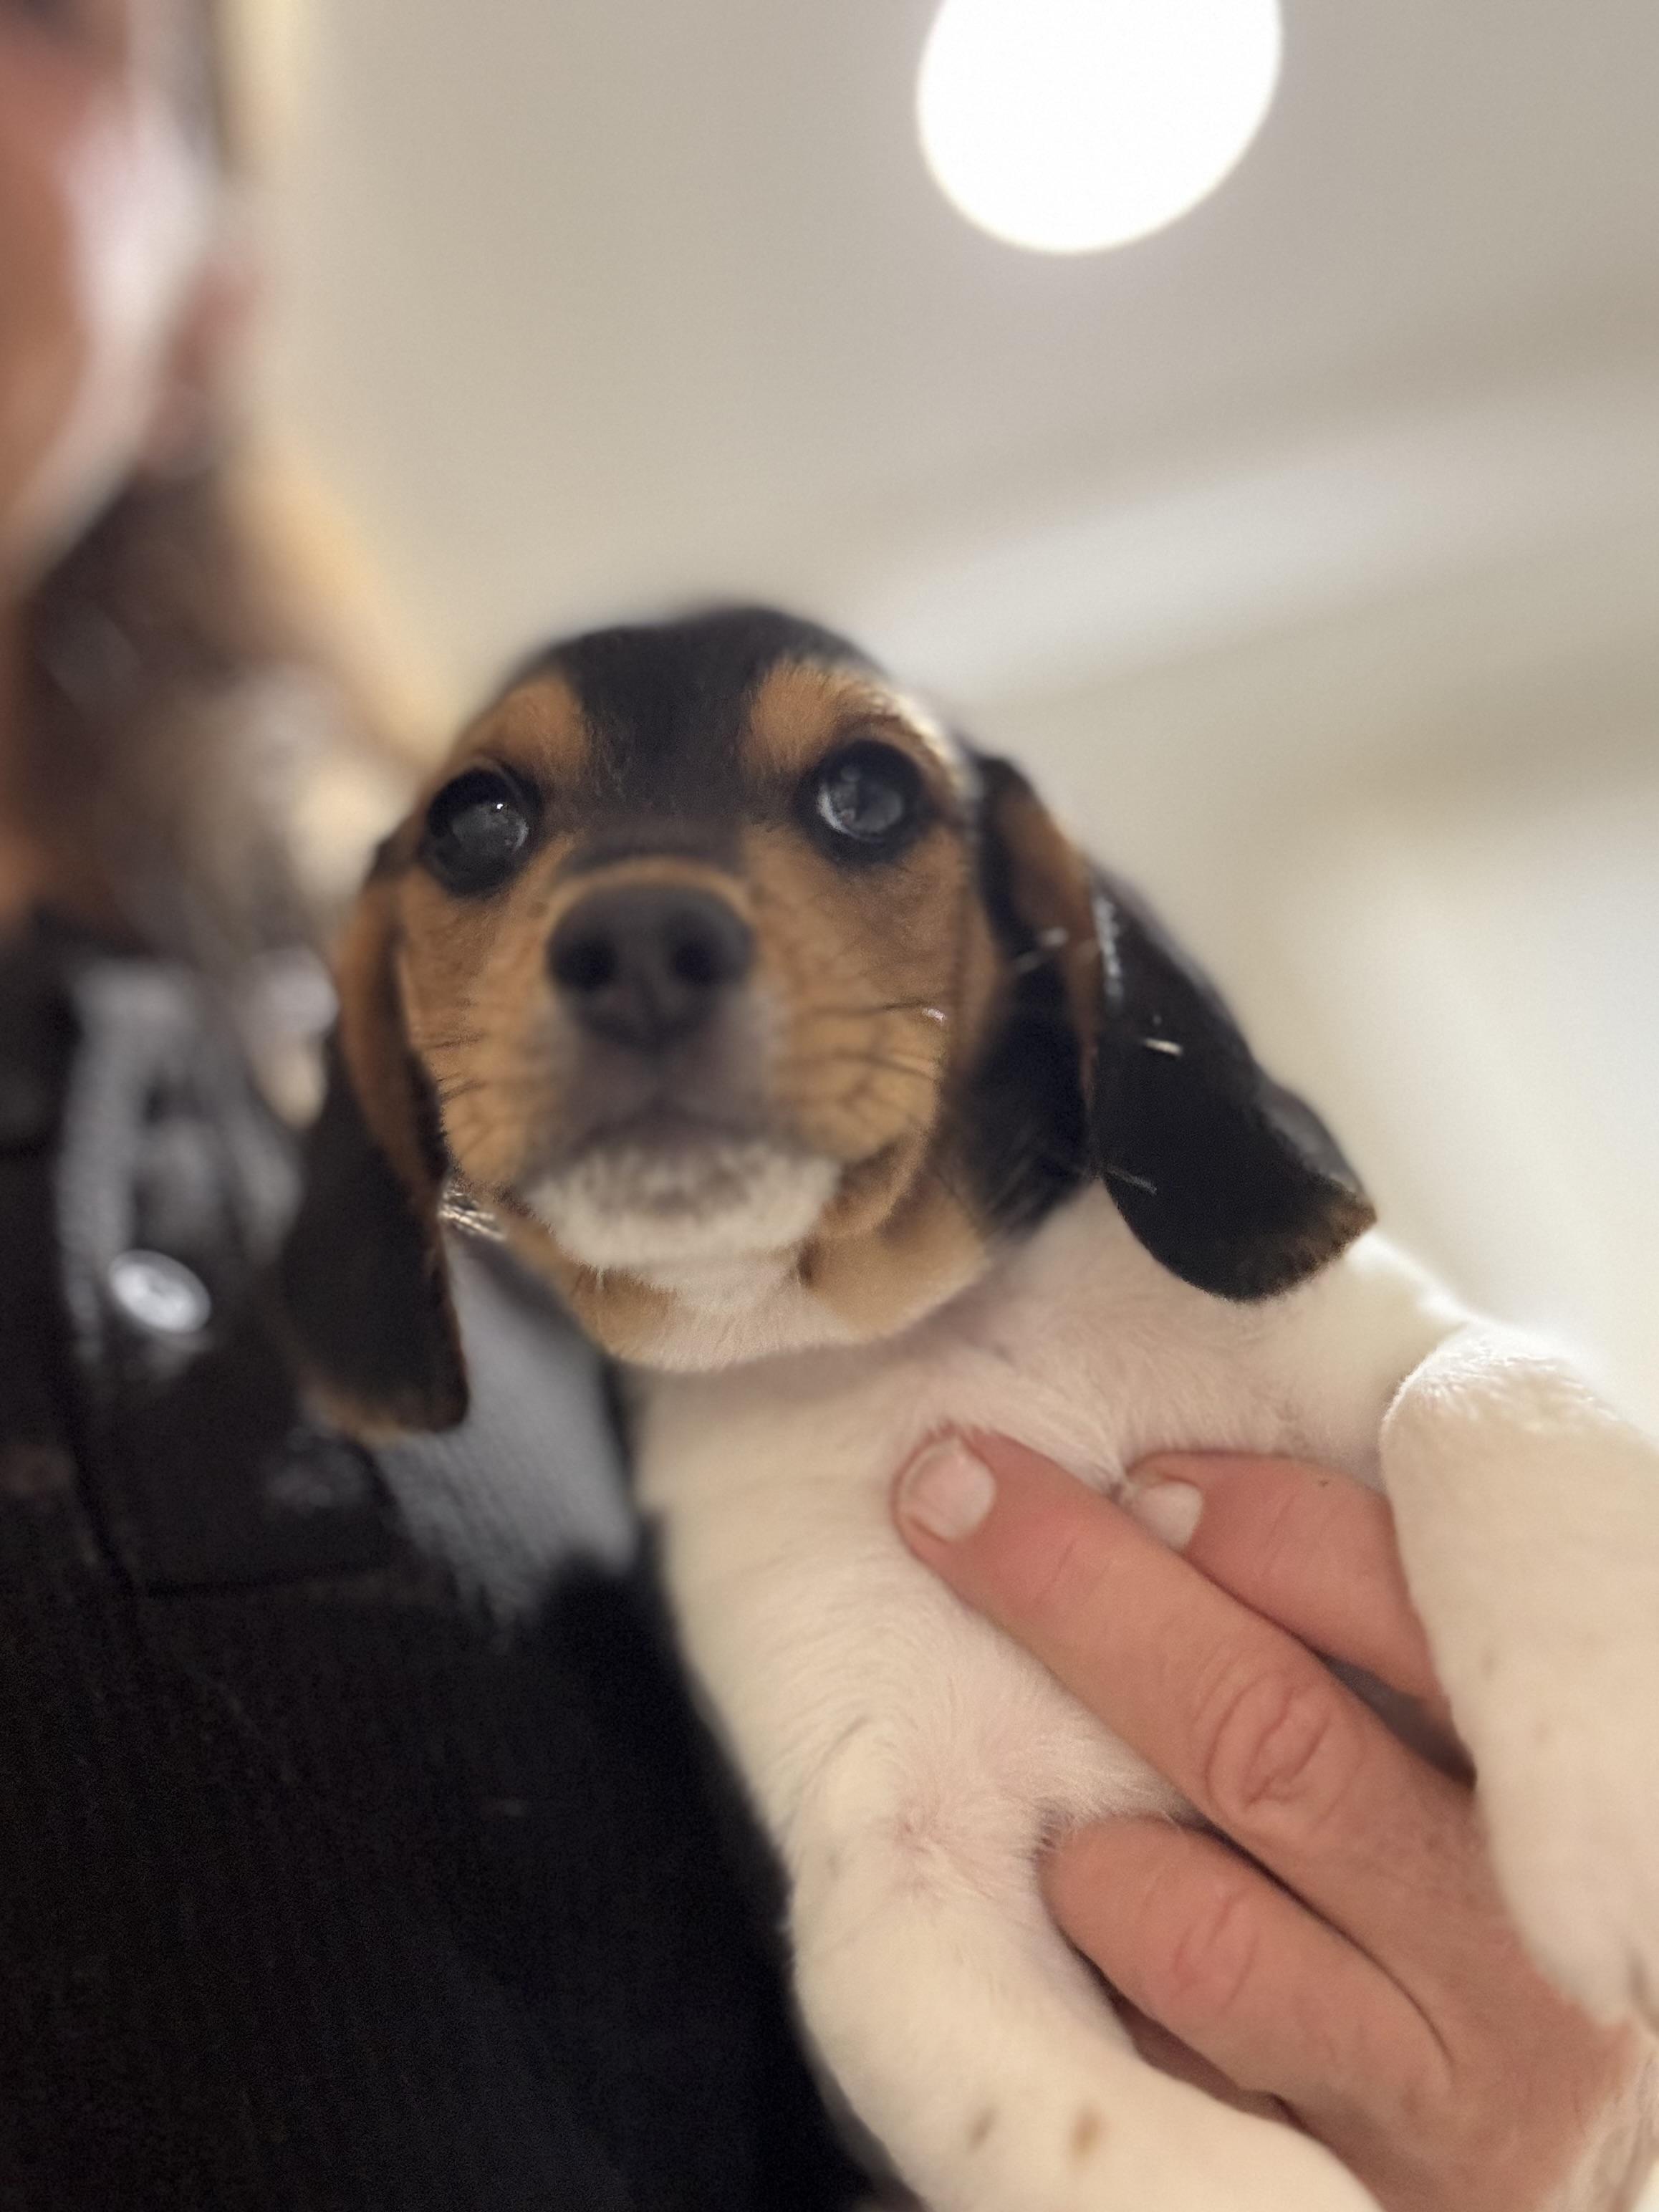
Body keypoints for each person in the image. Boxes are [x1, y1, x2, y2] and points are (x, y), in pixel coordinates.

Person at [0, 3, 1645, 2208]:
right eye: (504, 842)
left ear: (208, 297)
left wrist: (1515, 2123)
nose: (637, 933)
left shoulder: (452, 1151)